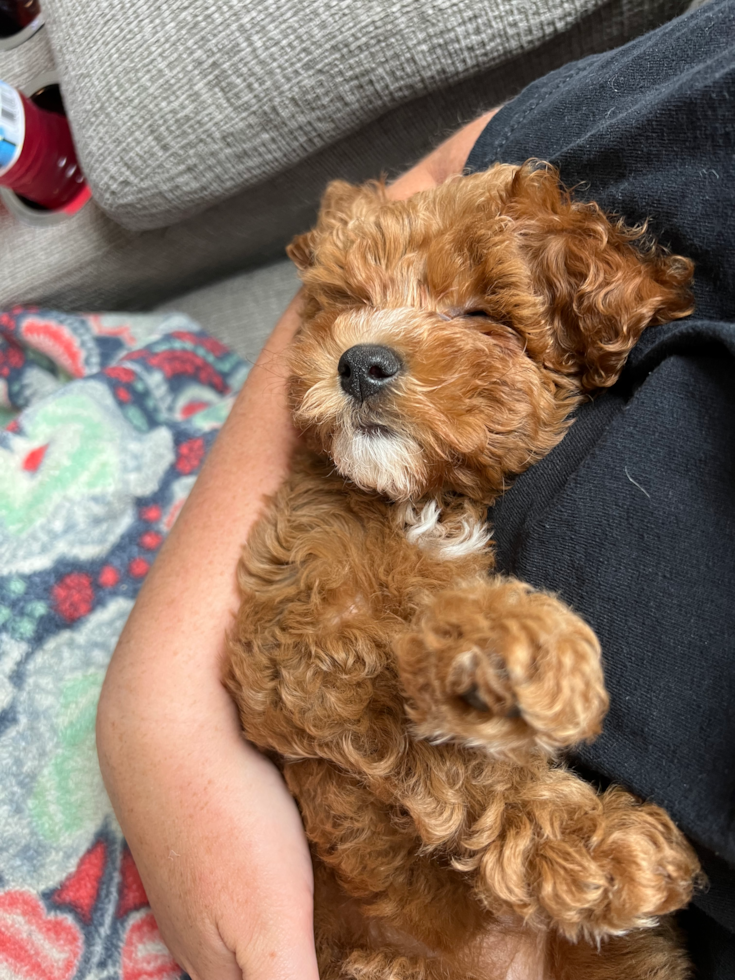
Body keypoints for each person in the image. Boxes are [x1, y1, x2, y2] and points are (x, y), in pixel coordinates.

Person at [96, 1, 735, 978]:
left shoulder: (586, 281)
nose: (368, 349)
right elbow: (441, 177)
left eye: (476, 314)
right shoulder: (337, 524)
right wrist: (156, 700)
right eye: (351, 306)